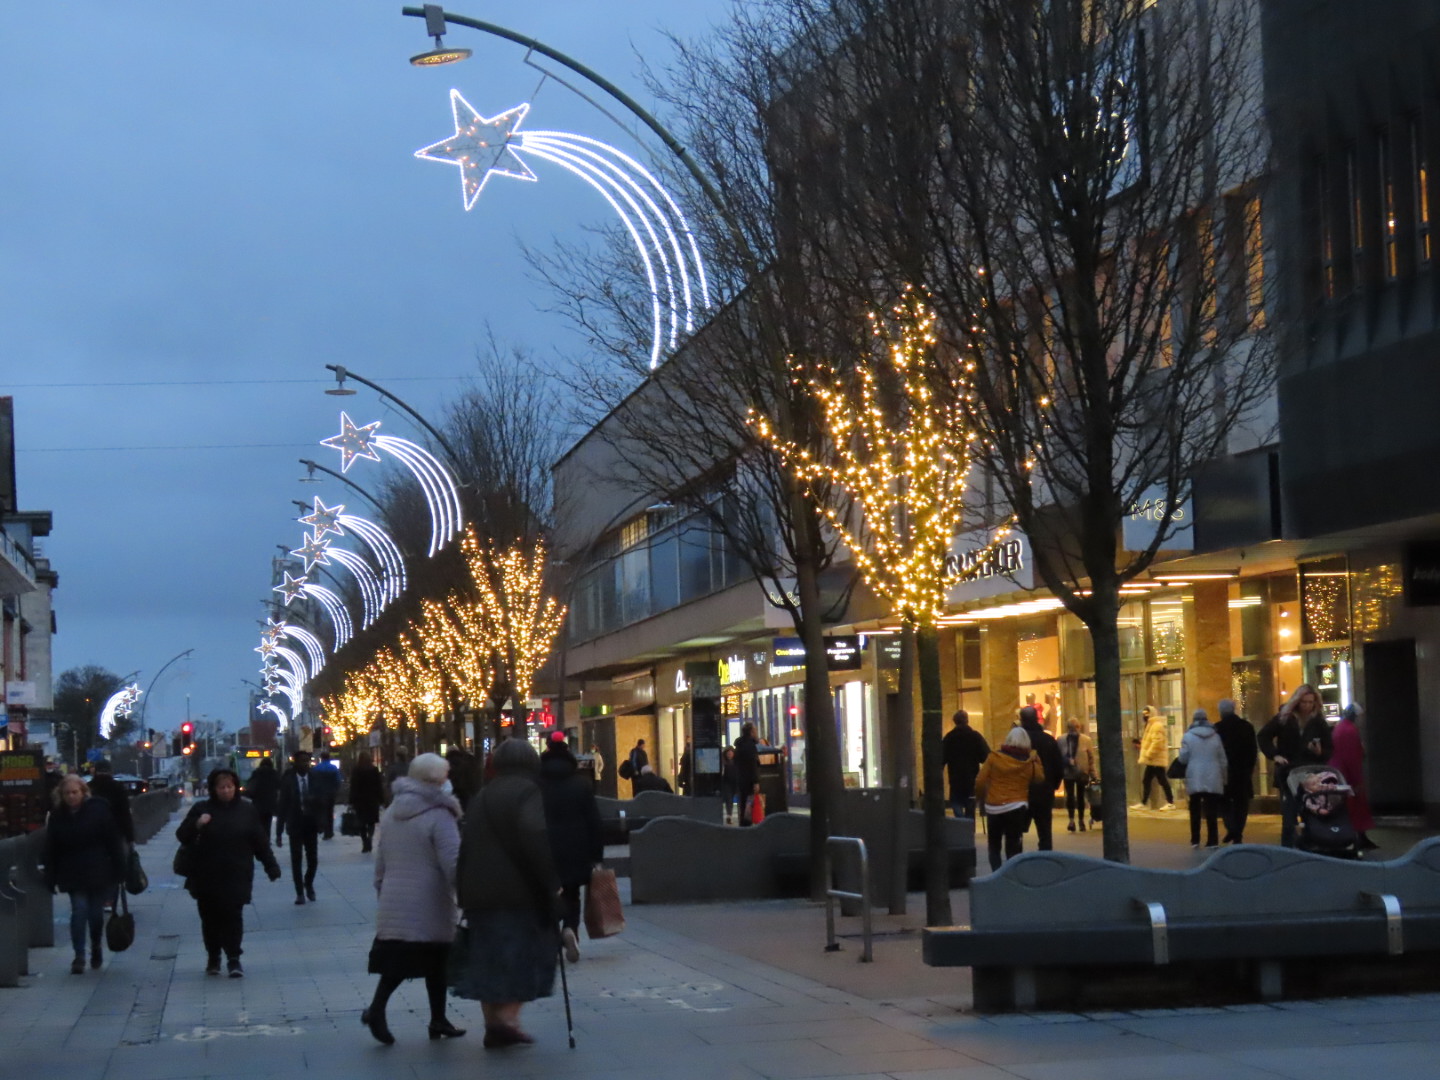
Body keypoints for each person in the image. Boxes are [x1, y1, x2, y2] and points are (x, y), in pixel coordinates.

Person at [453, 737, 560, 1049]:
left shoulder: (483, 795)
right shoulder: (528, 792)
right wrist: (551, 882)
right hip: (516, 893)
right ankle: (506, 1021)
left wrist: (462, 889)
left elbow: (466, 845)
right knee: (525, 956)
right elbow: (535, 838)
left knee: (489, 959)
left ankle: (493, 1025)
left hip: (478, 892)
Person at [363, 753, 464, 1045]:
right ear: (436, 781)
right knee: (424, 958)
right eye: (445, 776)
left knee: (417, 958)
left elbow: (381, 857)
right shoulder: (440, 813)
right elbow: (452, 862)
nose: (448, 781)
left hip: (397, 894)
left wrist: (381, 886)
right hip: (430, 898)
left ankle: (437, 1019)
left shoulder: (394, 809)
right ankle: (377, 1010)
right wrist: (467, 889)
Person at [175, 768, 281, 976]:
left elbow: (259, 841)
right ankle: (213, 957)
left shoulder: (246, 810)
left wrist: (271, 865)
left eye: (230, 787)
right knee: (210, 918)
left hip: (237, 873)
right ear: (214, 789)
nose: (226, 791)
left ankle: (233, 957)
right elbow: (182, 835)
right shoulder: (201, 808)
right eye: (222, 787)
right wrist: (197, 824)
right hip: (206, 874)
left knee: (233, 916)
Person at [44, 775, 126, 974]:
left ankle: (96, 946)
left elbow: (112, 841)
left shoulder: (98, 811)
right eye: (67, 793)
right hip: (71, 871)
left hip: (97, 869)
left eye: (75, 792)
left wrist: (120, 870)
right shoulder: (57, 816)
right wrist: (50, 876)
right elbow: (51, 848)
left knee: (95, 914)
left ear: (83, 792)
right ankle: (79, 954)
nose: (71, 797)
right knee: (79, 910)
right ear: (61, 795)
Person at [538, 732, 603, 965]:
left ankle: (554, 936)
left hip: (545, 848)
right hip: (576, 848)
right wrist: (597, 854)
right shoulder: (581, 784)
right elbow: (594, 821)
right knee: (572, 893)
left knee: (548, 894)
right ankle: (571, 929)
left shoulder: (536, 783)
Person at [1258, 684, 1332, 847]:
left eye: (1310, 702)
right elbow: (1263, 736)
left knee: (1310, 811)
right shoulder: (1285, 718)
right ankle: (1288, 847)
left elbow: (1329, 749)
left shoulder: (1318, 721)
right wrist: (1275, 754)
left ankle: (1310, 844)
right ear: (1297, 701)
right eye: (1304, 702)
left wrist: (1319, 752)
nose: (1307, 706)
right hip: (1288, 771)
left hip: (1310, 771)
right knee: (1289, 813)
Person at [974, 726, 1043, 872]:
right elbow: (1039, 779)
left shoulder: (994, 757)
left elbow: (980, 781)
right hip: (1017, 806)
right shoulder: (1030, 760)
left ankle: (996, 874)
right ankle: (1012, 874)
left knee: (994, 844)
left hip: (994, 805)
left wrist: (981, 797)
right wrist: (1037, 761)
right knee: (1013, 842)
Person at [277, 750, 326, 903]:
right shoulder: (288, 780)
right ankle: (299, 892)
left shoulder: (315, 778)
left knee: (313, 859)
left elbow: (321, 802)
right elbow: (282, 805)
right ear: (295, 763)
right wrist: (279, 832)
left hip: (311, 824)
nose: (305, 764)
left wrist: (322, 822)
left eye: (307, 761)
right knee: (296, 859)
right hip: (295, 824)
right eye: (302, 761)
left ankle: (308, 883)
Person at [1331, 703, 1378, 850]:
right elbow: (1351, 757)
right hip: (1349, 775)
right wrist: (1357, 780)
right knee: (1355, 808)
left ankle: (1356, 838)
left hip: (1340, 772)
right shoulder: (1350, 731)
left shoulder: (1340, 728)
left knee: (1348, 808)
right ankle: (1357, 838)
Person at [1177, 709, 1226, 848]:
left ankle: (1195, 839)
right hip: (1213, 775)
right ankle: (1212, 839)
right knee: (1211, 809)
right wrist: (1224, 777)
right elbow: (1222, 759)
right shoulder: (1216, 736)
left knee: (1195, 808)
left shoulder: (1188, 736)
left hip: (1195, 775)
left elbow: (1183, 758)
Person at [1213, 699, 1258, 843]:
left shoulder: (1217, 729)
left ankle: (1231, 828)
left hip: (1224, 772)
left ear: (1220, 712)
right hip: (1243, 771)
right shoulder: (1246, 727)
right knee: (1241, 803)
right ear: (1234, 710)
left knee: (1224, 802)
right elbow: (1253, 751)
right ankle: (1237, 831)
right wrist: (1250, 768)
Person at [1019, 706, 1063, 850]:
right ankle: (1046, 856)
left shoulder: (1017, 742)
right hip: (1044, 790)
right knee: (1044, 830)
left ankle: (1015, 858)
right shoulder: (1048, 740)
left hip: (1021, 791)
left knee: (1016, 830)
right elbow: (1058, 765)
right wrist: (1053, 785)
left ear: (1021, 720)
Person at [942, 709, 991, 819]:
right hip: (972, 776)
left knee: (955, 801)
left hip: (955, 777)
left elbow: (941, 758)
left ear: (955, 721)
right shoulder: (975, 736)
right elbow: (986, 756)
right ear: (967, 721)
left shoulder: (949, 737)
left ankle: (960, 821)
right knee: (970, 803)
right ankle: (969, 827)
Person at [1132, 707, 1176, 811]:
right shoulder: (1151, 726)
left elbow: (1157, 743)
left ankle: (1170, 802)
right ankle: (1144, 802)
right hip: (1153, 760)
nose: (1144, 716)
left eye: (1146, 714)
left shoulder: (1156, 726)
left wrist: (1149, 754)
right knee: (1147, 780)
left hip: (1155, 759)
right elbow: (1151, 741)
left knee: (1161, 780)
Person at [88, 759, 135, 850]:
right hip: (115, 830)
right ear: (110, 771)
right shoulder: (118, 787)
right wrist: (130, 837)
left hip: (93, 831)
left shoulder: (89, 787)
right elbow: (125, 814)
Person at [1059, 720, 1096, 833]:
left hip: (1081, 772)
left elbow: (1091, 758)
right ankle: (1071, 819)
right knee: (1070, 796)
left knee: (1080, 797)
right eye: (1072, 727)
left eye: (1076, 727)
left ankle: (1080, 820)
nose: (1074, 730)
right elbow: (1058, 755)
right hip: (1068, 772)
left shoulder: (1086, 740)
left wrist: (1092, 773)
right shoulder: (1061, 740)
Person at [349, 751, 384, 854]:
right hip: (372, 800)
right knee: (371, 822)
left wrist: (351, 801)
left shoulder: (356, 770)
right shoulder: (374, 770)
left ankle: (365, 842)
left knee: (362, 823)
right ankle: (370, 838)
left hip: (360, 801)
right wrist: (381, 799)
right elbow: (379, 785)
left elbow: (353, 786)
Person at [245, 756, 282, 849]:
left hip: (258, 803)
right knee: (268, 823)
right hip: (270, 803)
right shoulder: (274, 773)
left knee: (259, 823)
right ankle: (267, 840)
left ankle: (260, 839)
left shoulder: (256, 773)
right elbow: (280, 786)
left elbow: (250, 788)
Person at [732, 722, 762, 826]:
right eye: (755, 731)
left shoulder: (739, 746)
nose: (757, 733)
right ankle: (747, 826)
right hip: (748, 781)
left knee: (743, 804)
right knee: (749, 805)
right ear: (751, 732)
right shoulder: (750, 746)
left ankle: (744, 825)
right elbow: (752, 765)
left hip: (741, 780)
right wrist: (756, 782)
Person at [312, 750, 342, 840]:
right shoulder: (333, 768)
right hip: (331, 793)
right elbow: (338, 780)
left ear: (321, 758)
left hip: (320, 793)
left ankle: (323, 829)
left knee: (321, 812)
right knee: (329, 812)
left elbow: (313, 780)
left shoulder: (316, 768)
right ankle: (330, 830)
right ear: (329, 757)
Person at [719, 747, 739, 824]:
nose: (730, 754)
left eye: (731, 753)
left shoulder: (736, 762)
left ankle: (731, 816)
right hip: (726, 783)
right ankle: (729, 816)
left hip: (735, 783)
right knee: (729, 800)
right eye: (728, 753)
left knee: (731, 800)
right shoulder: (724, 763)